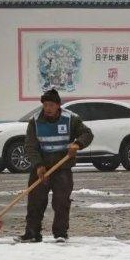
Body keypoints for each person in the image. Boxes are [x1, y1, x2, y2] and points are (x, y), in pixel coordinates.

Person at [17, 88, 93, 243]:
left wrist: (77, 144)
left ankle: (60, 233)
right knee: (35, 201)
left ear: (58, 105)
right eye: (45, 105)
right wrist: (38, 165)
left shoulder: (71, 119)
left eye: (51, 105)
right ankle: (32, 233)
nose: (48, 108)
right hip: (41, 168)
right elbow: (30, 146)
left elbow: (87, 134)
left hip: (62, 168)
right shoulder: (35, 121)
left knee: (61, 202)